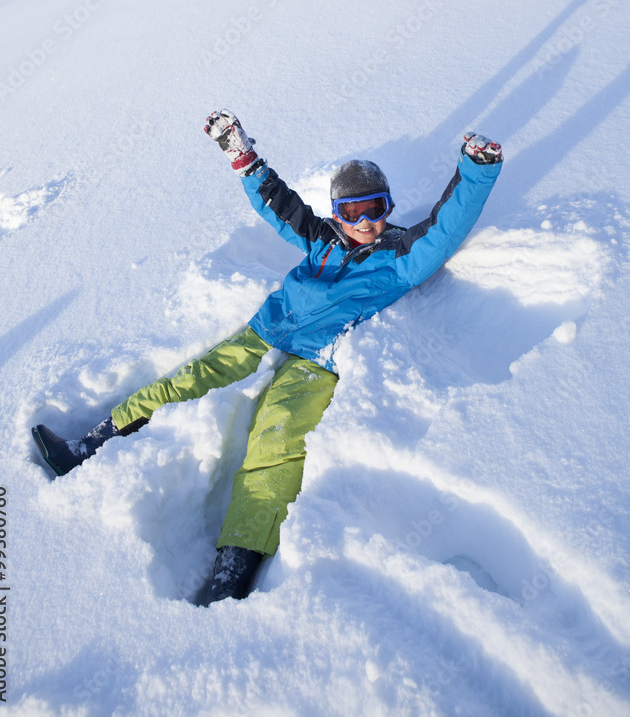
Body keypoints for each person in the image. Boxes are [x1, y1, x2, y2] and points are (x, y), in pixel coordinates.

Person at [32, 110, 503, 606]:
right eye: (352, 212)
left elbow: (445, 229)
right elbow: (277, 204)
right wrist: (241, 154)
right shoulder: (321, 237)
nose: (366, 223)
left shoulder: (401, 256)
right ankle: (88, 445)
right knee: (186, 380)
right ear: (337, 212)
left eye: (376, 209)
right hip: (266, 331)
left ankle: (234, 567)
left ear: (389, 206)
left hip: (315, 361)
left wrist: (476, 169)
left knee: (274, 439)